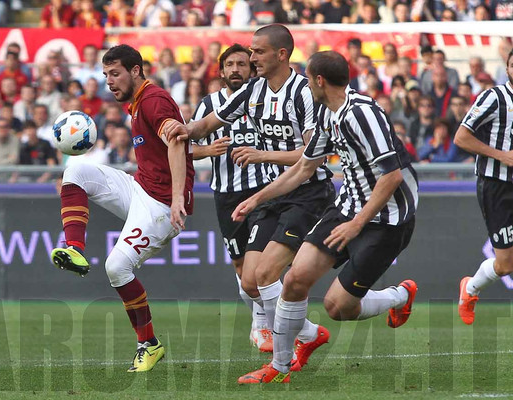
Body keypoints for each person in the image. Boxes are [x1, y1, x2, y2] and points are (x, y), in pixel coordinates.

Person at [233, 51, 419, 384]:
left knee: (339, 307)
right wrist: (256, 198)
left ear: (319, 80)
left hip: (387, 217)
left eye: (307, 77)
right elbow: (305, 167)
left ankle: (400, 295)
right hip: (347, 207)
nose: (305, 83)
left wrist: (356, 224)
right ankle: (280, 367)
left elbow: (391, 177)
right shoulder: (325, 114)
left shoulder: (362, 113)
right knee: (294, 280)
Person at [164, 25, 335, 369]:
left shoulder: (303, 91)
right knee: (250, 279)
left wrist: (262, 155)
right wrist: (184, 128)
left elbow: (313, 154)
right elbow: (209, 123)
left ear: (281, 54)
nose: (251, 58)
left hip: (308, 192)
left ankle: (280, 363)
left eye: (257, 52)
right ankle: (309, 333)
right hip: (273, 194)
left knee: (270, 273)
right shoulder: (254, 89)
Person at [50, 44, 194, 372]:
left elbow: (175, 142)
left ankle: (149, 344)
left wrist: (175, 199)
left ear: (135, 71)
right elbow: (176, 143)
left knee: (117, 268)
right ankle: (74, 248)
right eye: (105, 75)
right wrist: (201, 151)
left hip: (160, 204)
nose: (109, 82)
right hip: (141, 188)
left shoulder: (153, 101)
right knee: (76, 170)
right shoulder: (139, 101)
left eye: (115, 74)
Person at [190, 44, 272, 352]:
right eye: (230, 64)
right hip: (226, 195)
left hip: (264, 190)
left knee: (265, 263)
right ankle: (259, 321)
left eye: (241, 64)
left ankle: (265, 324)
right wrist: (206, 151)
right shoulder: (208, 105)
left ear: (252, 69)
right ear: (221, 71)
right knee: (241, 267)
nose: (235, 69)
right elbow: (185, 146)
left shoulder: (266, 100)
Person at [454, 49, 513, 325]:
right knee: (505, 264)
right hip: (498, 186)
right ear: (508, 67)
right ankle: (471, 287)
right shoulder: (495, 97)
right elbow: (461, 137)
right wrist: (501, 155)